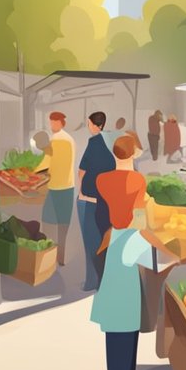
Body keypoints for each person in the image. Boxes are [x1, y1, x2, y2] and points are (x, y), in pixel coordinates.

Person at [91, 133, 165, 370]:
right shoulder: (131, 240)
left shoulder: (111, 238)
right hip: (124, 315)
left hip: (111, 313)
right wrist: (171, 251)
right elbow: (161, 263)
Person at [77, 112, 117, 292]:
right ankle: (105, 280)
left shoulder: (93, 142)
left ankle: (92, 282)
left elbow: (82, 170)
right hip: (108, 199)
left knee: (91, 242)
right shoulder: (113, 142)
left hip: (90, 198)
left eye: (89, 124)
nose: (88, 127)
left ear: (95, 125)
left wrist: (81, 190)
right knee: (105, 241)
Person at [35, 112, 76, 268]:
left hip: (56, 187)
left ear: (61, 123)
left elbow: (48, 163)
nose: (52, 125)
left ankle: (50, 259)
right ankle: (61, 258)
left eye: (54, 122)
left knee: (49, 223)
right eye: (50, 122)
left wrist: (35, 173)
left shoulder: (57, 141)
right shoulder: (69, 139)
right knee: (63, 225)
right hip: (67, 187)